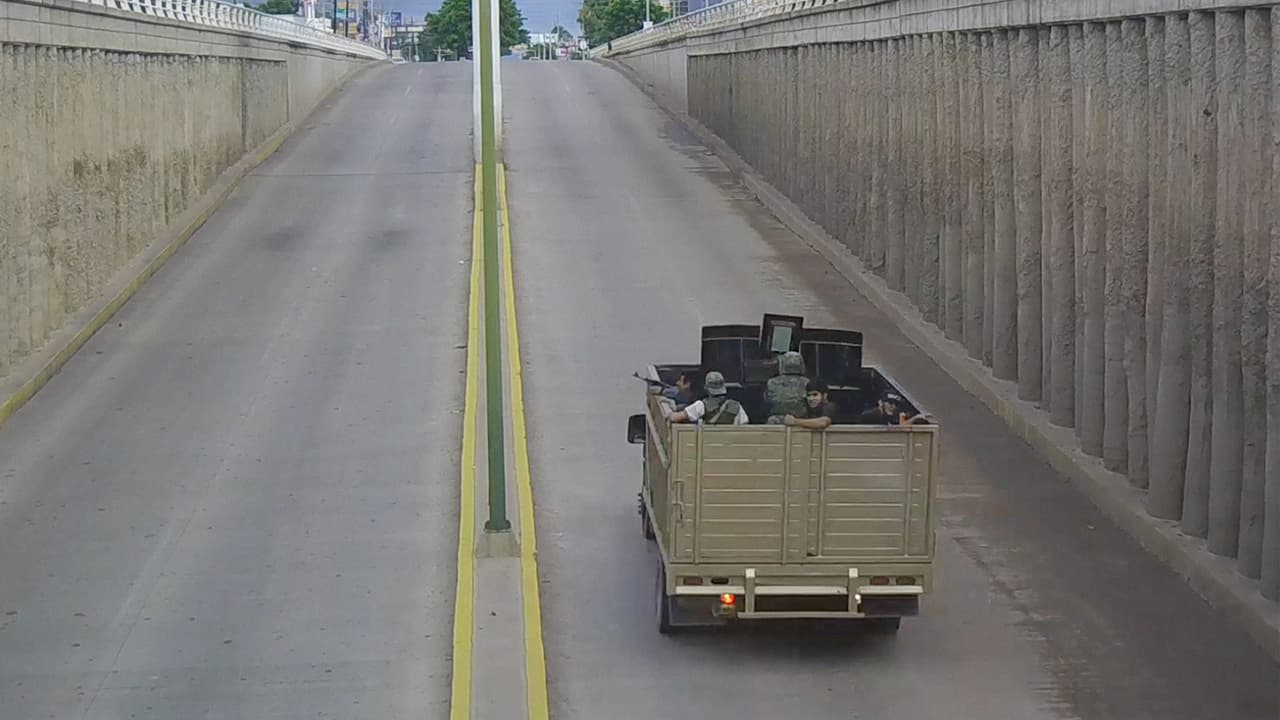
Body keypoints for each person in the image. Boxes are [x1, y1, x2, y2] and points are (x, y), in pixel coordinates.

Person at [669, 371, 749, 425]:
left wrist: (669, 411)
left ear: (706, 388)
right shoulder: (736, 406)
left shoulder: (701, 405)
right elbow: (745, 424)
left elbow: (675, 418)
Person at [766, 351, 808, 423]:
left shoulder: (771, 383)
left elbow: (767, 403)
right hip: (802, 422)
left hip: (775, 422)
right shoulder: (807, 382)